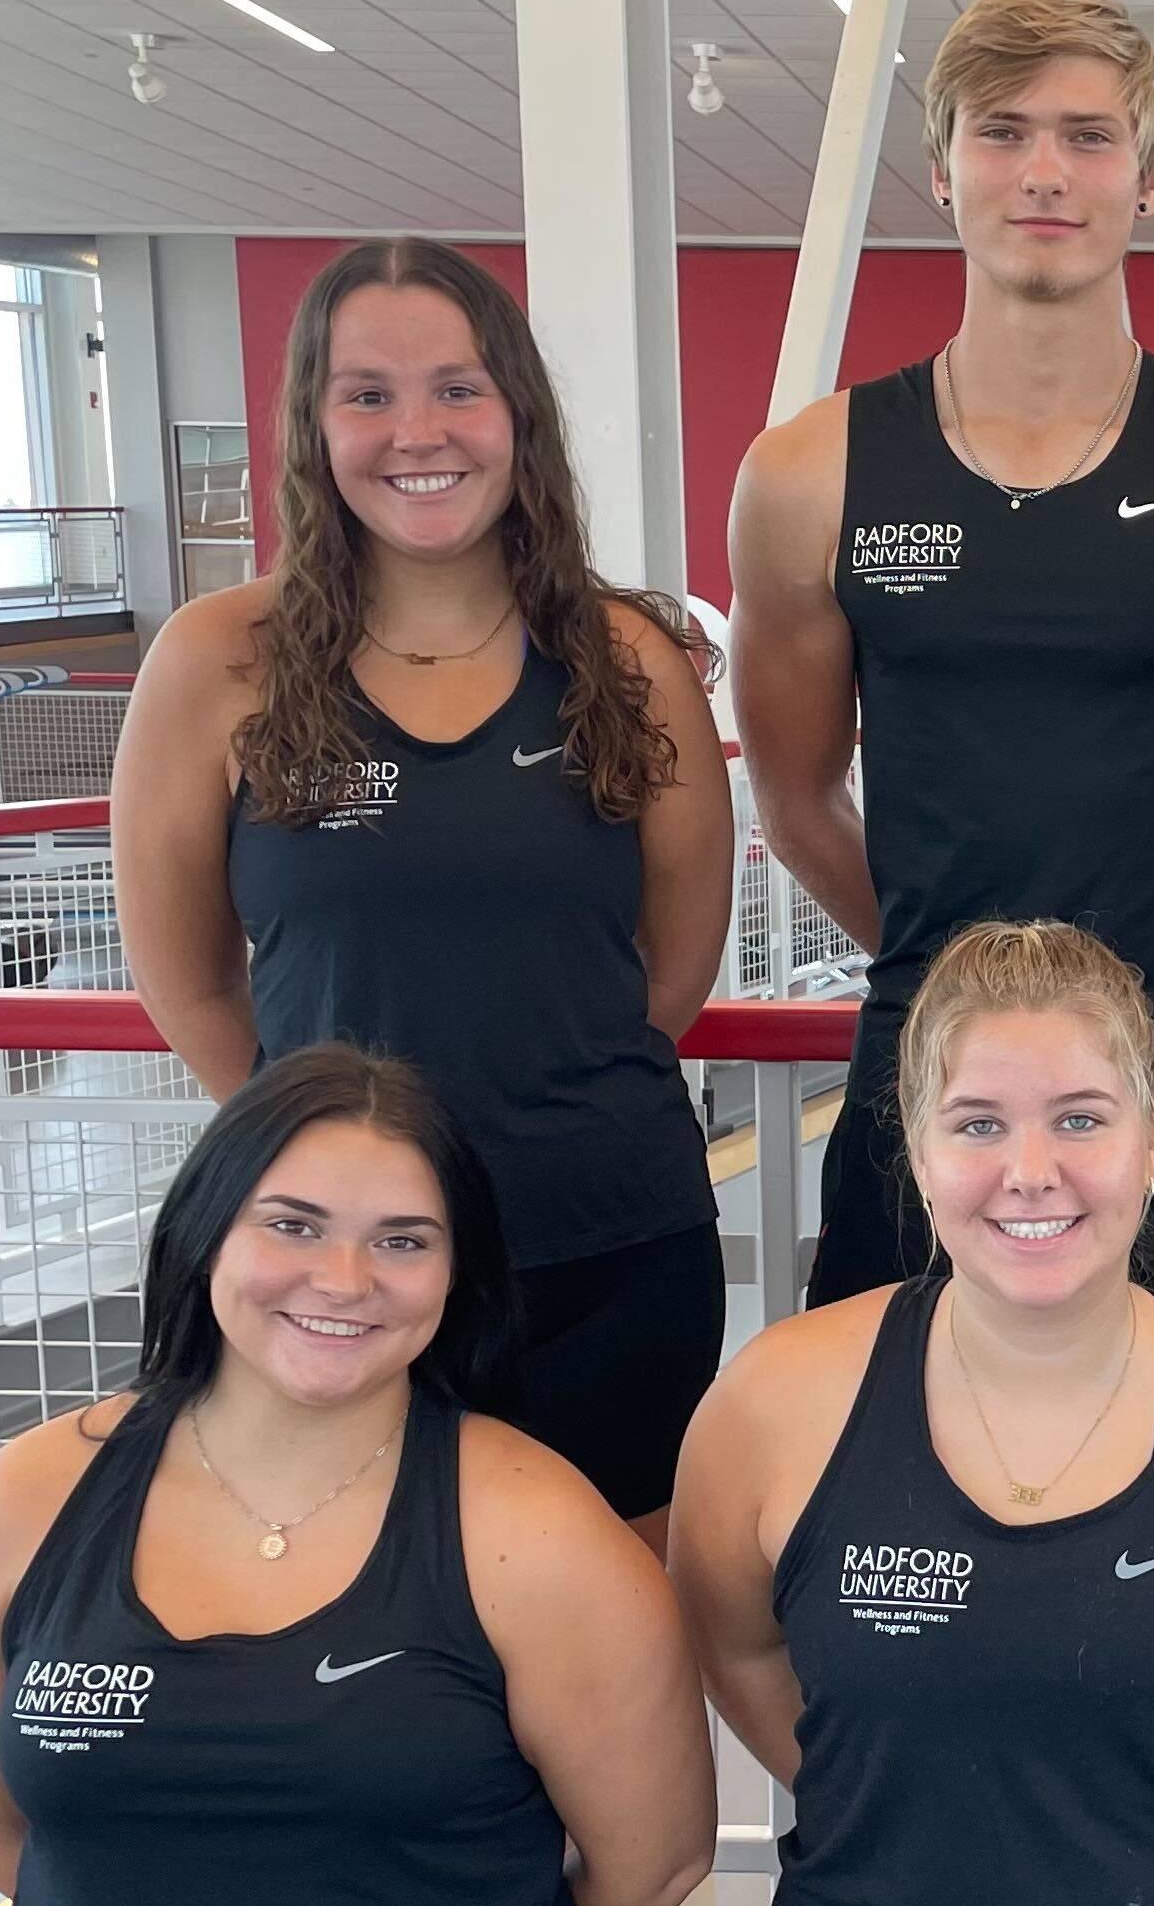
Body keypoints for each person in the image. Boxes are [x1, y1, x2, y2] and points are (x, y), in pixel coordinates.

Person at [731, 0, 1154, 1345]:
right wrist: (960, 984)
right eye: (1004, 132)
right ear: (941, 164)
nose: (1043, 173)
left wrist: (1134, 995)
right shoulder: (808, 477)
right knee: (896, 1483)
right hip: (925, 1080)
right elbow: (793, 802)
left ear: (1142, 180)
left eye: (1085, 137)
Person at [115, 238, 733, 1554]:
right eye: (367, 394)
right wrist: (347, 1156)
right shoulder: (218, 664)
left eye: (456, 388)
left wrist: (535, 1110)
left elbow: (672, 964)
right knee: (364, 1656)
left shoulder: (626, 658)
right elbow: (191, 983)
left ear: (517, 412)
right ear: (312, 424)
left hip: (606, 1245)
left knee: (611, 1647)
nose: (417, 433)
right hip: (341, 1273)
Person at [668, 920, 1154, 1906]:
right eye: (978, 1123)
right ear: (916, 1147)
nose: (1031, 1172)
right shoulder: (773, 1404)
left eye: (1081, 1118)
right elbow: (740, 1650)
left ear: (1151, 1142)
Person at [0, 1046, 716, 1906]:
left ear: (458, 1272)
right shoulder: (25, 1503)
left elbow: (651, 1864)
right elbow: (4, 1832)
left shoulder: (540, 1536)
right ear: (206, 1231)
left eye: (403, 1240)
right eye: (293, 1224)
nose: (343, 1278)